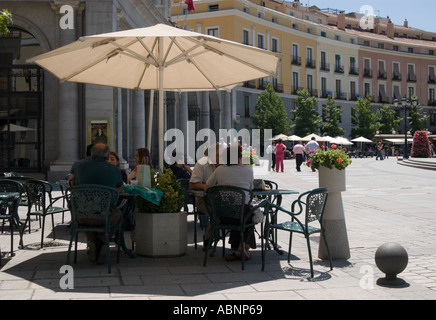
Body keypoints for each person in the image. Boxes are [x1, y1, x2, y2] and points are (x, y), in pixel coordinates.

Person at [73, 143, 124, 264]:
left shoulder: (79, 168)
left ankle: (93, 243)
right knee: (120, 214)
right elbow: (120, 188)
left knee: (88, 213)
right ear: (107, 156)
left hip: (81, 216)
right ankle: (102, 241)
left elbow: (75, 186)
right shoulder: (114, 170)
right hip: (105, 216)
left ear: (91, 154)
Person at [205, 145, 255, 260]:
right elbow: (250, 189)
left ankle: (236, 249)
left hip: (223, 214)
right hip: (242, 213)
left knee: (239, 212)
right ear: (239, 158)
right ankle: (244, 244)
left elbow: (207, 186)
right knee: (252, 215)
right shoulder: (248, 172)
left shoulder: (219, 170)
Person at [189, 143, 222, 249]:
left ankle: (238, 245)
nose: (222, 158)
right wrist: (206, 187)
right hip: (203, 199)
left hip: (222, 199)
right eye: (219, 155)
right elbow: (192, 184)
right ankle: (208, 236)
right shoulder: (202, 164)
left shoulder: (226, 164)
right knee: (218, 213)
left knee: (235, 211)